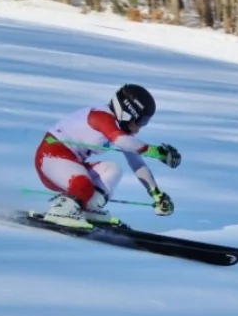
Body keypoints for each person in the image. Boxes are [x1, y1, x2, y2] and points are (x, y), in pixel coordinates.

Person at [33, 83, 182, 228]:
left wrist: (156, 194)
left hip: (71, 164)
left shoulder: (120, 130)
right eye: (140, 122)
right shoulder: (101, 116)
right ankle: (61, 211)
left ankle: (87, 208)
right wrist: (157, 152)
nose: (138, 129)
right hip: (50, 157)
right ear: (127, 113)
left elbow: (137, 163)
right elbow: (123, 142)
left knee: (113, 169)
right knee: (83, 184)